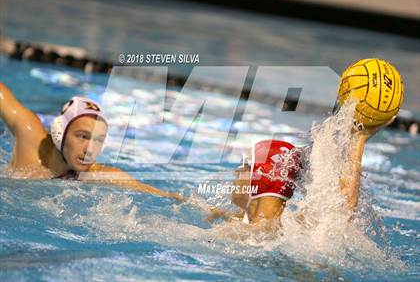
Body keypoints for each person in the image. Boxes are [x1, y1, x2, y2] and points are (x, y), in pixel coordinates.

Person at [0, 82, 183, 201]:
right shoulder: (30, 137)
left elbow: (151, 191)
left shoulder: (95, 173)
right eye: (82, 136)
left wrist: (191, 204)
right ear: (60, 132)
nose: (89, 150)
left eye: (98, 140)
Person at [208, 122, 389, 226]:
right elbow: (342, 206)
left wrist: (360, 139)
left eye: (244, 168)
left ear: (259, 180)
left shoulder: (241, 235)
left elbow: (343, 210)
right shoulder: (292, 226)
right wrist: (358, 140)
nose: (236, 173)